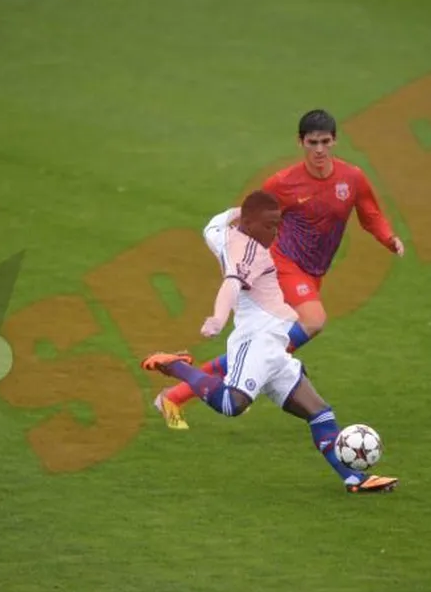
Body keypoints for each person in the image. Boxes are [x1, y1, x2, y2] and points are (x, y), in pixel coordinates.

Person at [155, 109, 405, 429]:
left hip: (313, 272)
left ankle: (175, 396)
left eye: (325, 142)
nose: (319, 149)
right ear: (300, 142)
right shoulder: (283, 183)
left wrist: (389, 238)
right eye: (312, 142)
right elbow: (252, 218)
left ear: (334, 141)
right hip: (283, 264)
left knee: (265, 348)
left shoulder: (351, 178)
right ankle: (227, 378)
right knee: (313, 321)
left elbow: (370, 212)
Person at [141, 191, 398, 493]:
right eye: (268, 226)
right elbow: (231, 284)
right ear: (249, 224)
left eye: (277, 225)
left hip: (275, 346)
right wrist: (218, 319)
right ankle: (176, 367)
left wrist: (244, 211)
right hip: (256, 341)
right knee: (232, 404)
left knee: (318, 411)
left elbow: (214, 223)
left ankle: (354, 478)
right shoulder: (250, 253)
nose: (274, 233)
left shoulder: (220, 233)